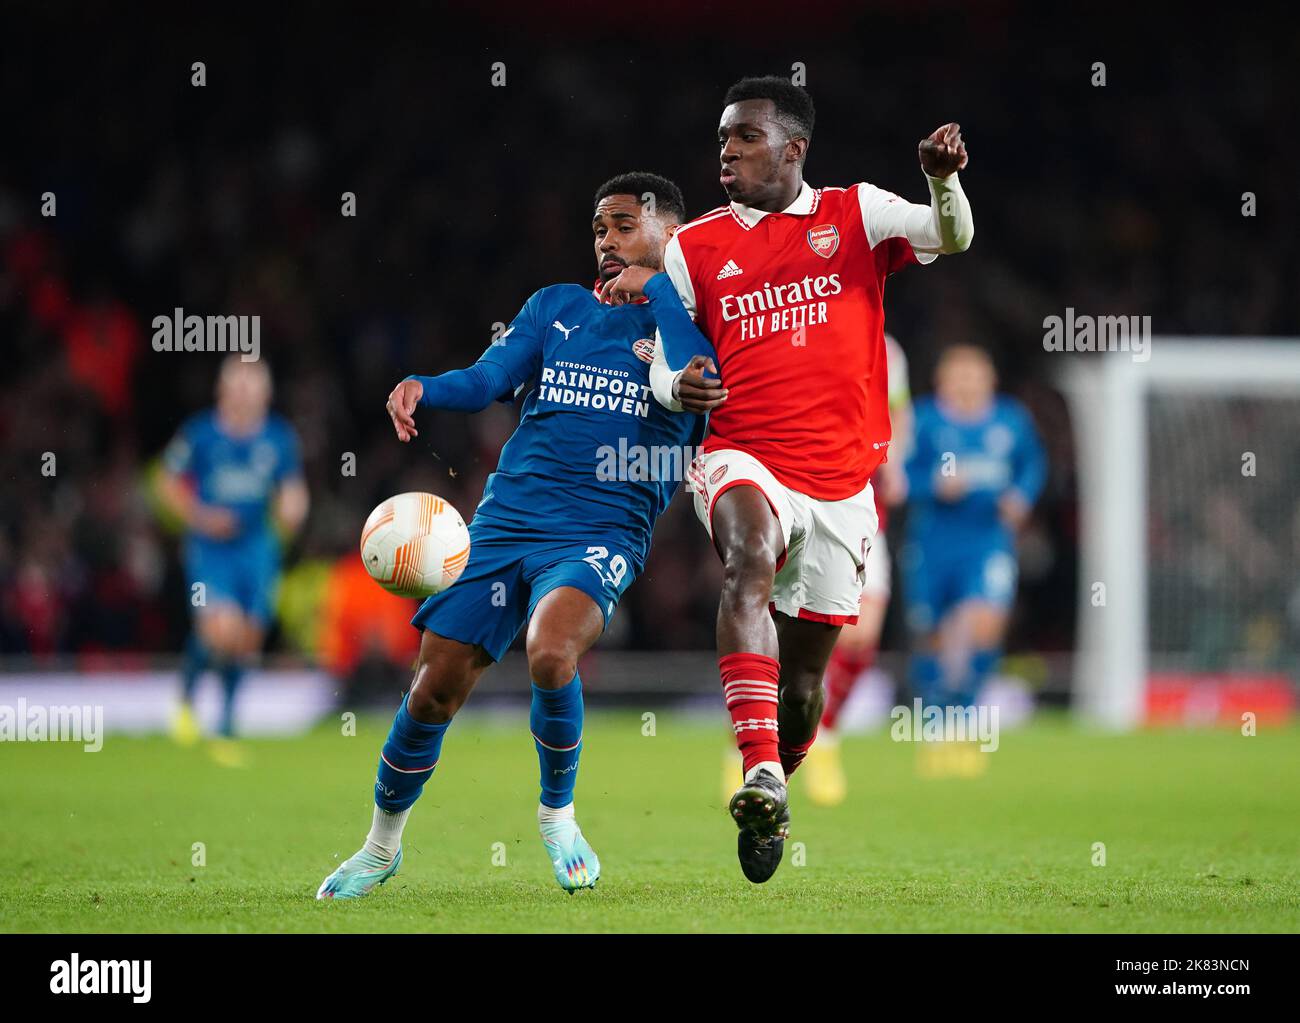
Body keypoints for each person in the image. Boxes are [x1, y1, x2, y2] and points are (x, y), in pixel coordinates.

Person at [604, 75, 973, 882]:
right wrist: (679, 388)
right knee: (746, 559)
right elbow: (667, 368)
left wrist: (943, 182)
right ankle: (759, 767)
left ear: (792, 148)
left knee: (805, 685)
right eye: (722, 139)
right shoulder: (693, 247)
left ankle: (777, 777)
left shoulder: (857, 213)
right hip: (741, 454)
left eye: (743, 137)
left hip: (843, 485)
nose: (726, 152)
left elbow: (954, 237)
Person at [317, 173, 707, 899]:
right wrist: (424, 387)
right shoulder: (554, 308)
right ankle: (380, 845)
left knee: (551, 650)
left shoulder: (689, 318)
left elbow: (698, 373)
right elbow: (488, 375)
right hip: (508, 520)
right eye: (598, 229)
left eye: (625, 225)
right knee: (433, 688)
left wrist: (657, 289)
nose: (607, 241)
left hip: (603, 528)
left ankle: (557, 814)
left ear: (669, 234)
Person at [158, 357, 309, 765]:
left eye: (252, 385)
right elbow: (166, 481)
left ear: (266, 393)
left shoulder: (278, 438)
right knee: (220, 629)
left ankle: (225, 722)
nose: (244, 392)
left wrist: (292, 510)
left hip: (258, 547)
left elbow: (293, 490)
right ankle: (191, 700)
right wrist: (201, 517)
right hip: (211, 548)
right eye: (237, 384)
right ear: (222, 390)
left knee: (247, 639)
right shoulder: (200, 434)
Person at [901, 344, 1046, 765]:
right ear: (941, 381)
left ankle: (963, 720)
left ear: (990, 380)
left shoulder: (1010, 421)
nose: (966, 384)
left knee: (983, 625)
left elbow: (1033, 464)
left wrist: (1021, 496)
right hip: (932, 542)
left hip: (988, 541)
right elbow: (896, 475)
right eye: (957, 376)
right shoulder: (924, 420)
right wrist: (933, 484)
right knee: (933, 637)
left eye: (974, 375)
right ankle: (933, 725)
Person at [803, 334, 911, 806]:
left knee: (862, 635)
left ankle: (824, 738)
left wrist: (898, 463)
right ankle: (744, 750)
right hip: (800, 494)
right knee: (779, 632)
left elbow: (899, 412)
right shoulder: (797, 325)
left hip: (863, 504)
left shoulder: (889, 347)